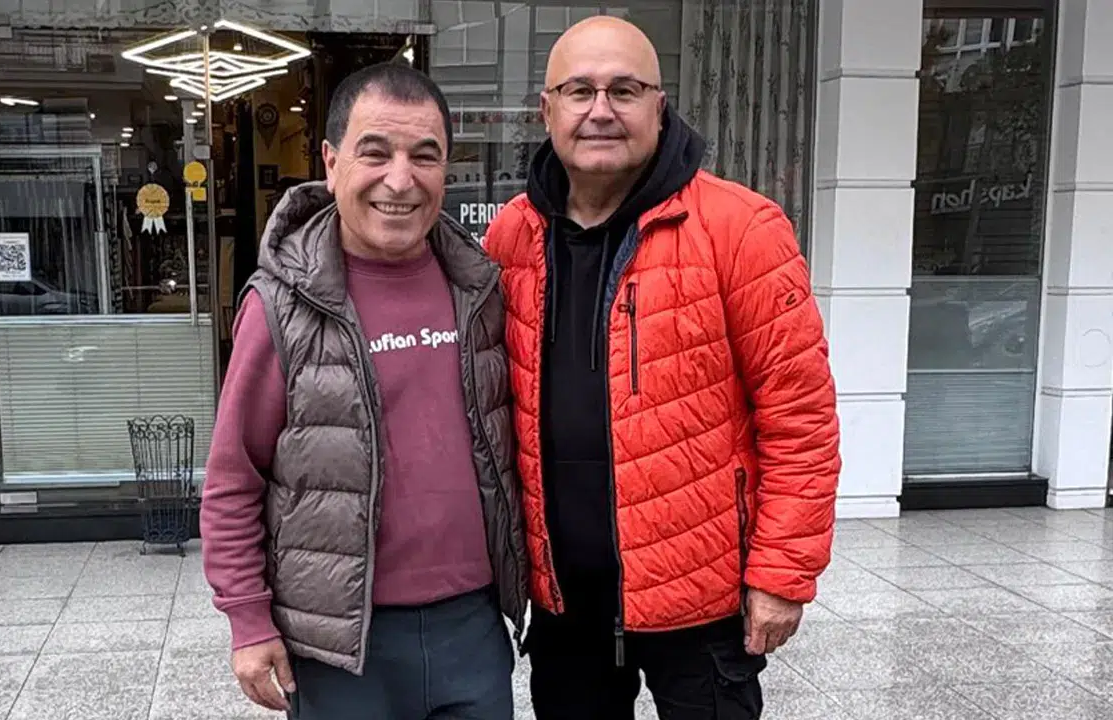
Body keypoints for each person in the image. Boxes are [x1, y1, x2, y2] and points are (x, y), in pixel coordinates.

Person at [482, 16, 842, 720]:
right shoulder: (512, 236)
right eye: (579, 91)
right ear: (547, 111)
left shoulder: (740, 229)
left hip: (702, 599)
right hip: (565, 602)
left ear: (660, 105)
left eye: (625, 90)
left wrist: (782, 574)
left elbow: (800, 420)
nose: (601, 110)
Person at [200, 61, 528, 720]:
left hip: (472, 631)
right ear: (331, 161)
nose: (400, 181)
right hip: (341, 649)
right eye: (375, 153)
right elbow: (234, 478)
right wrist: (248, 621)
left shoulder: (482, 291)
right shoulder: (281, 306)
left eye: (424, 156)